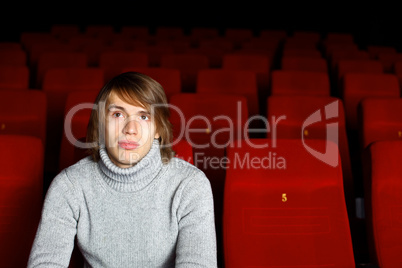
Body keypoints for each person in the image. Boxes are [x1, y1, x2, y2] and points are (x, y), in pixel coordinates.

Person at [28, 72, 217, 267]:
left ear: (158, 130)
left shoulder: (190, 184)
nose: (131, 129)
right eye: (118, 114)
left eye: (144, 116)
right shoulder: (69, 185)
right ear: (101, 124)